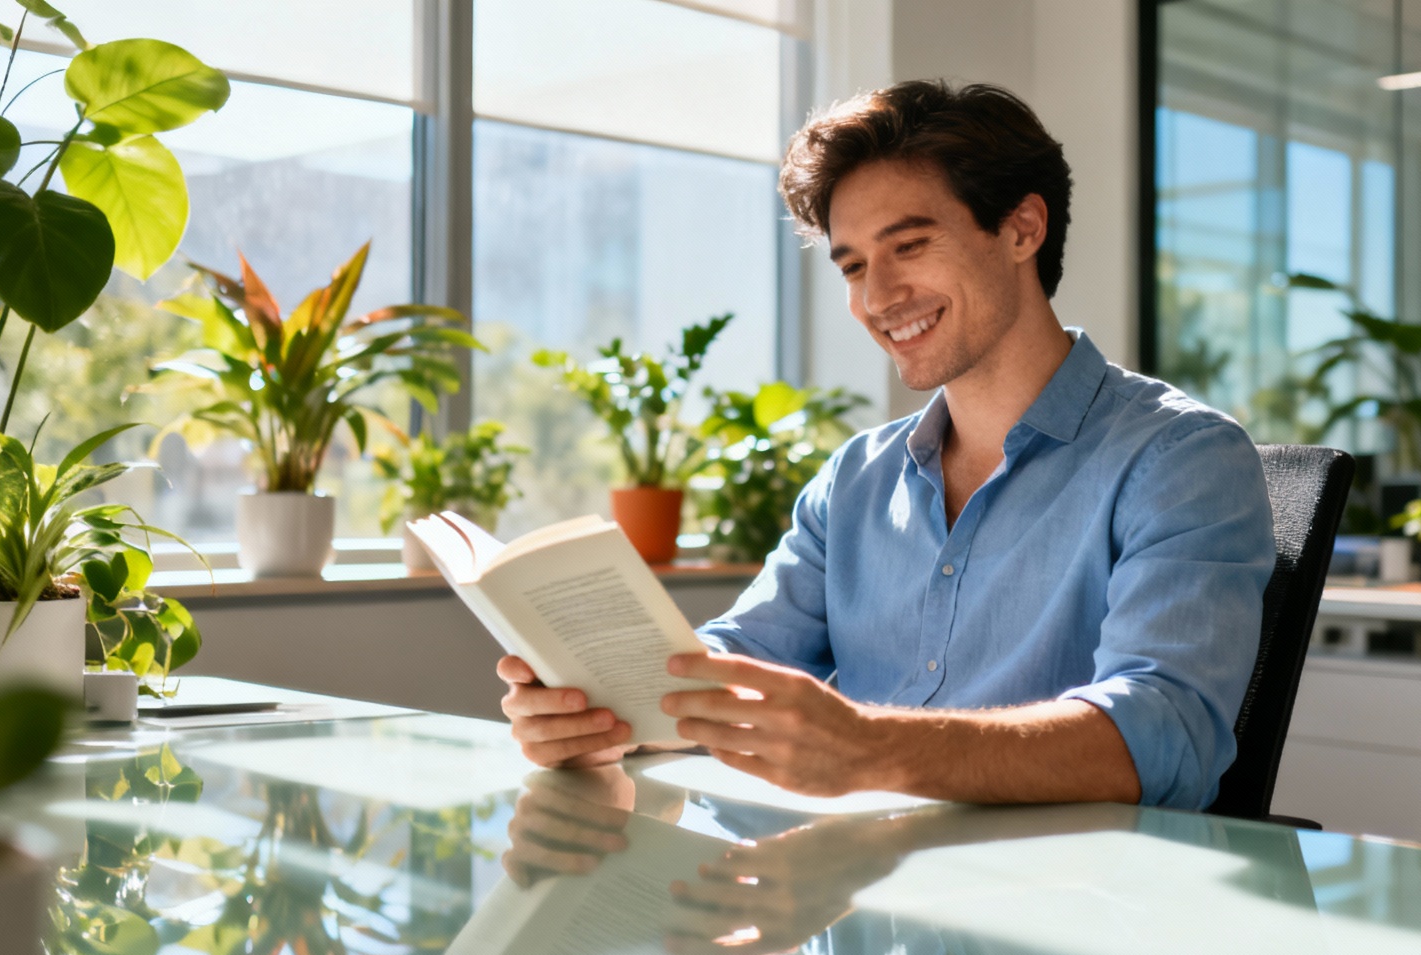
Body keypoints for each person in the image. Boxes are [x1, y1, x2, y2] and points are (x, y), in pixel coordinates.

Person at [499, 80, 1275, 808]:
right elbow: (742, 658)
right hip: (852, 877)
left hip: (1063, 892)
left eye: (909, 246)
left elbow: (1163, 732)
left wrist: (874, 749)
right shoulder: (856, 479)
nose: (877, 297)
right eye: (854, 266)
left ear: (1022, 229)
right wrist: (600, 706)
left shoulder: (1181, 460)